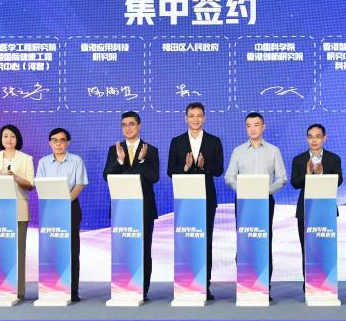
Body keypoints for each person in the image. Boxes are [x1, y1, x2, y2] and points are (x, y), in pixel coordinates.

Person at [166, 102, 224, 299]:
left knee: (204, 241)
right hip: (185, 199)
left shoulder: (214, 141)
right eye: (191, 116)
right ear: (186, 118)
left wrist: (203, 166)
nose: (195, 119)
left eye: (199, 115)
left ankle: (204, 285)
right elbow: (170, 170)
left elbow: (219, 169)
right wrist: (185, 167)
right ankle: (185, 283)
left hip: (206, 199)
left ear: (204, 118)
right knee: (186, 241)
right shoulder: (177, 141)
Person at [225, 112, 287, 295]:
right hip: (244, 202)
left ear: (263, 127)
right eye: (249, 125)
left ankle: (264, 285)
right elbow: (229, 177)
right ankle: (245, 284)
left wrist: (265, 191)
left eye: (256, 125)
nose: (252, 129)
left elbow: (282, 178)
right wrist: (243, 190)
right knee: (244, 242)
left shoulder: (273, 150)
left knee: (263, 242)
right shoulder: (238, 151)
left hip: (265, 201)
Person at [103, 111, 159, 300]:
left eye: (131, 124)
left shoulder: (151, 150)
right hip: (121, 209)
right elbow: (107, 176)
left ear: (139, 126)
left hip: (144, 209)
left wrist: (142, 160)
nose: (128, 128)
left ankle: (142, 290)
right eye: (124, 125)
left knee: (143, 249)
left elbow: (154, 177)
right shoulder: (115, 150)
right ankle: (122, 288)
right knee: (123, 250)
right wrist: (119, 161)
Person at [0, 124, 35, 299]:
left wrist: (15, 177)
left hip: (18, 208)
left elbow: (31, 185)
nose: (9, 139)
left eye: (12, 136)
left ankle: (18, 291)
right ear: (0, 139)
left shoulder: (26, 159)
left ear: (17, 139)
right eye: (5, 136)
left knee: (18, 251)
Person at [36, 127, 88, 302]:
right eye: (55, 140)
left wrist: (65, 203)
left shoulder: (76, 160)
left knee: (72, 249)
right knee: (50, 249)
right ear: (50, 143)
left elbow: (80, 184)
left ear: (68, 143)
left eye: (62, 140)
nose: (58, 143)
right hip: (49, 209)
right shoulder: (43, 162)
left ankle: (72, 290)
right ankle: (50, 288)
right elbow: (40, 185)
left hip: (71, 207)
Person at [289, 124, 343, 287]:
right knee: (307, 249)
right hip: (305, 211)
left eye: (318, 136)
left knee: (326, 249)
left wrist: (321, 174)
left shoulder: (333, 158)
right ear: (307, 139)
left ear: (324, 138)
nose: (314, 140)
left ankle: (327, 285)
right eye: (310, 137)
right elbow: (294, 183)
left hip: (326, 210)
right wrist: (308, 175)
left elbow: (338, 181)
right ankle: (309, 286)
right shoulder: (299, 159)